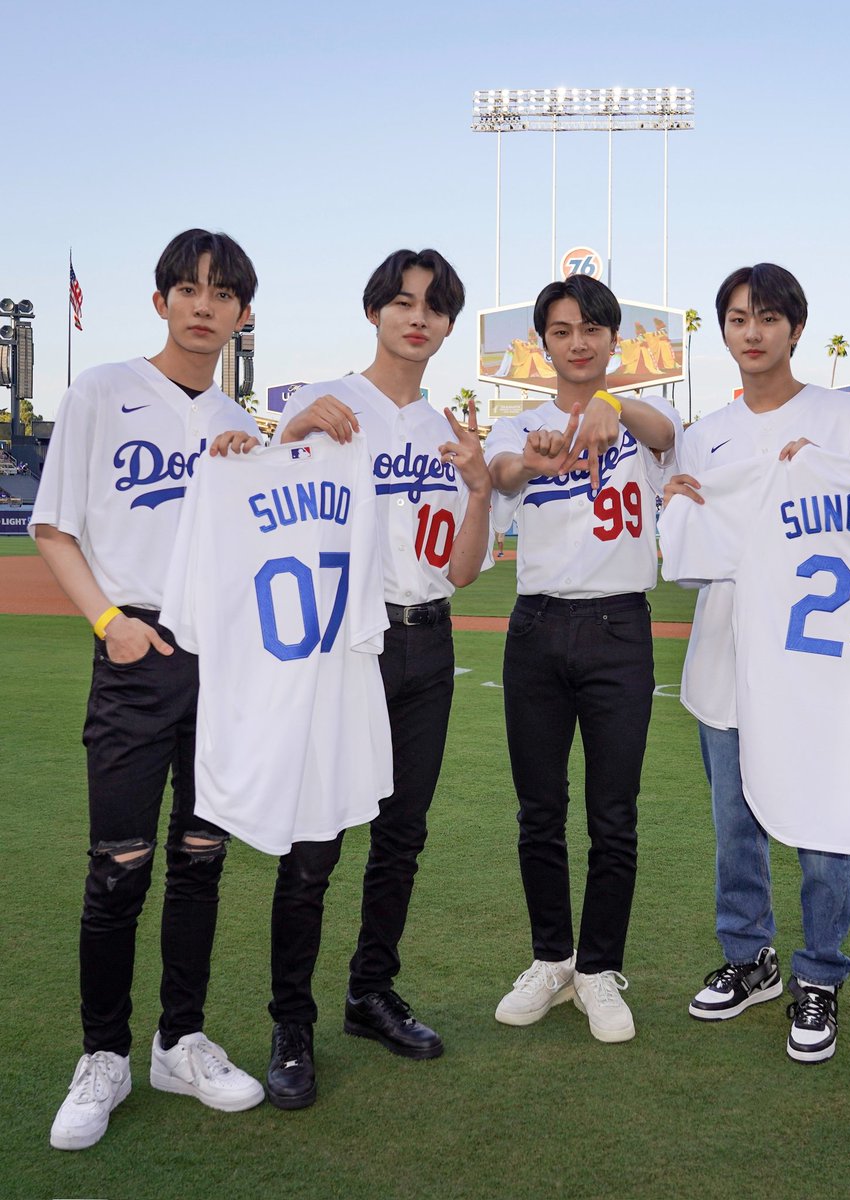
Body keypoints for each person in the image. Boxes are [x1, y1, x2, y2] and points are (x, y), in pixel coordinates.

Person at [32, 229, 266, 1150]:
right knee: (119, 865)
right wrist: (108, 624)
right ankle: (104, 1055)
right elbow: (54, 527)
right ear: (163, 299)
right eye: (189, 288)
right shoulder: (101, 390)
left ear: (243, 314)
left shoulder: (235, 421)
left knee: (202, 858)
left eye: (223, 294)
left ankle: (181, 1038)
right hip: (134, 653)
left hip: (220, 661)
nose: (205, 305)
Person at [266, 248, 491, 1108]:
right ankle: (292, 1019)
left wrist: (476, 490)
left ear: (445, 325)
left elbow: (466, 572)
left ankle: (369, 993)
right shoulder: (327, 405)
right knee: (316, 840)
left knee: (402, 836)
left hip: (427, 643)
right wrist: (288, 435)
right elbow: (260, 505)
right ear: (376, 313)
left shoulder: (446, 431)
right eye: (402, 302)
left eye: (434, 307)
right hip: (345, 647)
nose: (418, 318)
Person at [663, 263, 850, 1062]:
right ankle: (748, 958)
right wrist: (681, 506)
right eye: (735, 318)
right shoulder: (706, 432)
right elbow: (691, 560)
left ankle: (819, 974)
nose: (750, 332)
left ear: (794, 326)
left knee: (823, 823)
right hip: (725, 657)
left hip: (818, 663)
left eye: (766, 317)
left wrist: (821, 481)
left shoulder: (846, 417)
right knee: (735, 826)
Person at [485, 274, 681, 1043]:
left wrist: (610, 406)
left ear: (612, 339)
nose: (578, 342)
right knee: (540, 812)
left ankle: (599, 969)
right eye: (562, 331)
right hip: (537, 629)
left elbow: (663, 436)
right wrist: (534, 461)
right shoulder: (521, 423)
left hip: (619, 630)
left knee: (613, 815)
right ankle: (550, 960)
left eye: (591, 329)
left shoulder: (645, 413)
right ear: (543, 343)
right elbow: (501, 473)